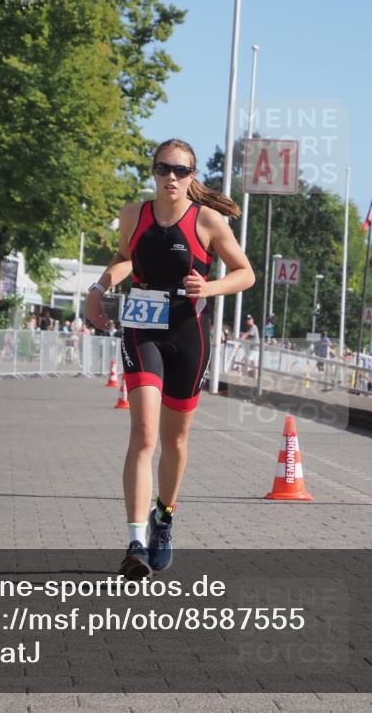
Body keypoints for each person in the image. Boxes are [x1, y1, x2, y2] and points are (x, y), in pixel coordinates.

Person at [85, 138, 254, 579]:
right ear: (153, 172)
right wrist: (98, 288)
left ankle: (164, 515)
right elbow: (124, 257)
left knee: (175, 440)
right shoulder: (133, 215)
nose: (171, 178)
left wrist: (209, 287)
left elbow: (245, 273)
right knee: (143, 433)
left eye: (180, 171)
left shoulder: (207, 221)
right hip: (143, 329)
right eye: (164, 169)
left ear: (192, 176)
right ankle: (135, 543)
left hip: (187, 334)